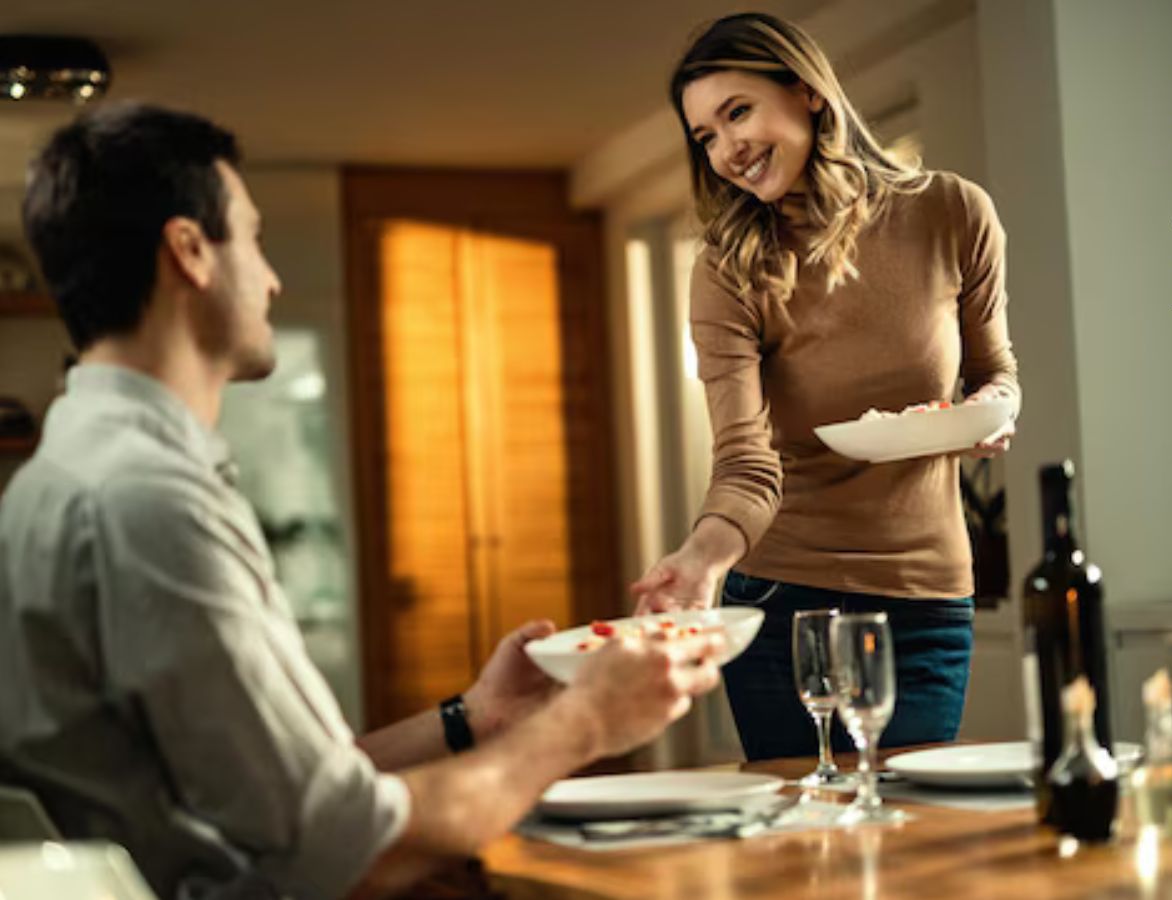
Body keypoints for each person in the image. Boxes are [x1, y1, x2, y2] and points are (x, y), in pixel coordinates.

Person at [0, 102, 724, 899]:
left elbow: (279, 794)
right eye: (254, 237)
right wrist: (585, 723)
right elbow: (343, 852)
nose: (271, 278)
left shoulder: (66, 476)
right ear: (190, 251)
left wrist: (475, 718)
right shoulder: (145, 501)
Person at [630, 12, 1020, 762]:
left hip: (927, 598)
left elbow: (994, 370)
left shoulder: (952, 213)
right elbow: (746, 460)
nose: (726, 149)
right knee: (797, 853)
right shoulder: (728, 270)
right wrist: (703, 559)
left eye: (736, 112)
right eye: (705, 136)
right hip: (783, 601)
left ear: (806, 90)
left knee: (912, 839)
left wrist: (996, 408)